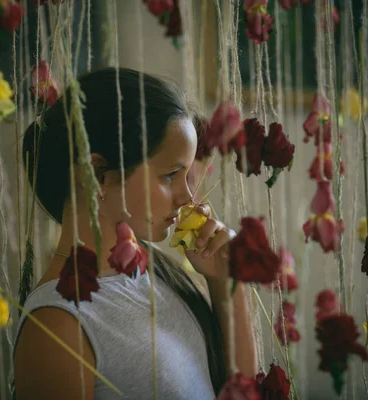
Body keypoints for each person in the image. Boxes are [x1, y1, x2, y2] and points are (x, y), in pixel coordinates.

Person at [13, 68, 257, 399]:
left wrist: (225, 283)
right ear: (98, 174)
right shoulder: (58, 327)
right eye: (171, 175)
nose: (187, 198)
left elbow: (242, 390)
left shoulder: (153, 276)